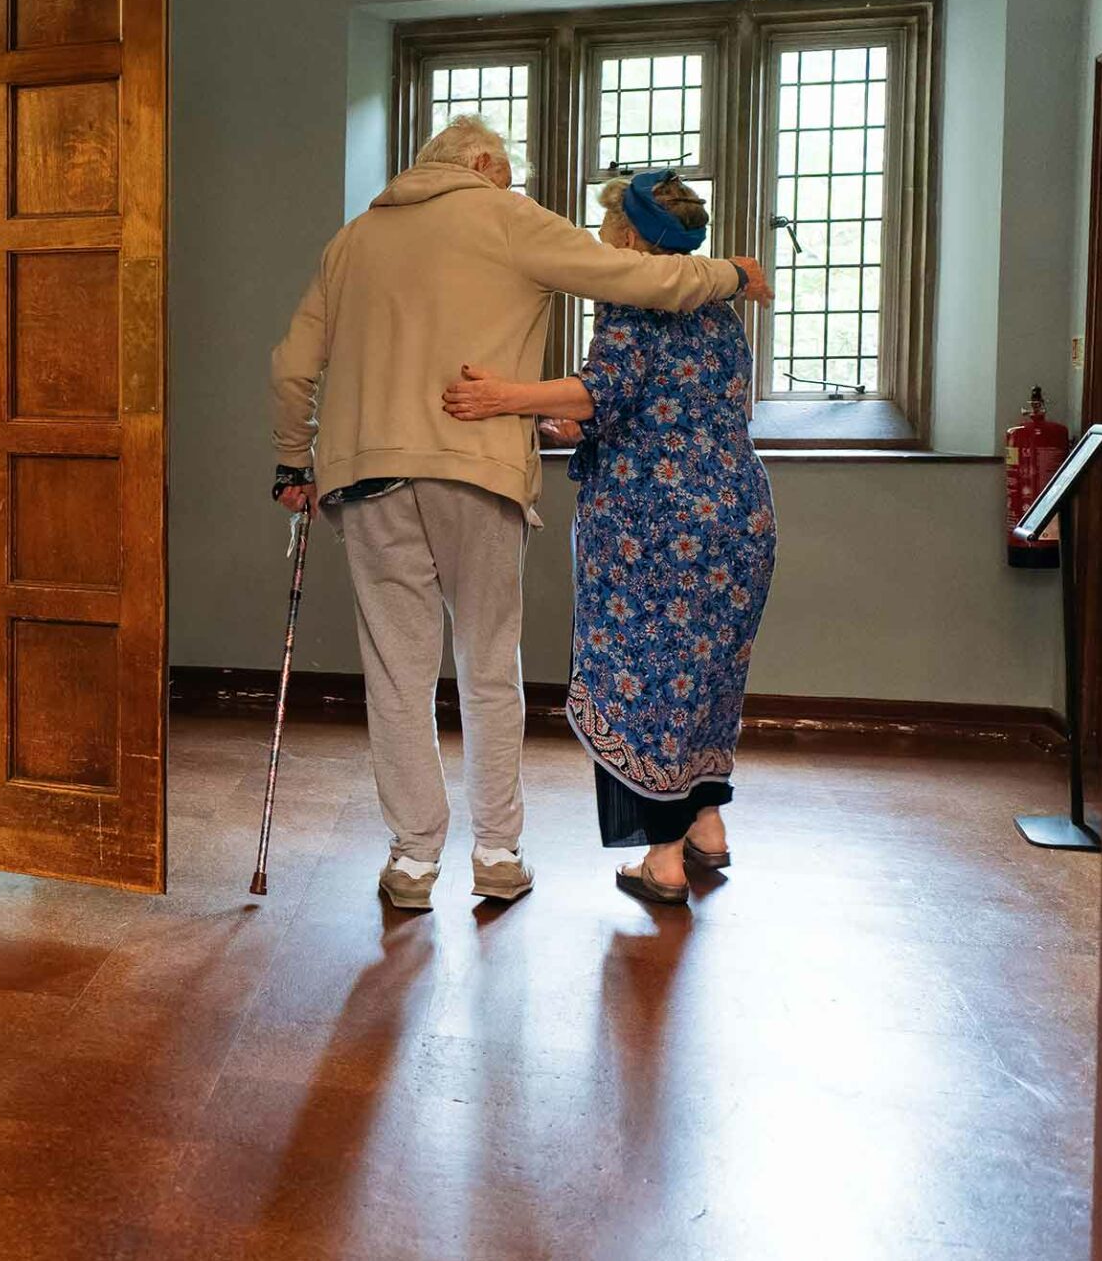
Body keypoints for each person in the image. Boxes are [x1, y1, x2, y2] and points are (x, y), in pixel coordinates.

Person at [269, 117, 770, 911]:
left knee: (398, 677)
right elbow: (636, 279)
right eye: (501, 173)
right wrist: (731, 276)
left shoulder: (351, 238)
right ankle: (497, 853)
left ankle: (411, 862)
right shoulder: (506, 216)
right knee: (488, 665)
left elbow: (293, 366)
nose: (506, 185)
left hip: (366, 481)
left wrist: (293, 462)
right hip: (476, 473)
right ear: (478, 163)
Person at [441, 172, 777, 906]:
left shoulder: (634, 298)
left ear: (628, 239)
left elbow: (604, 385)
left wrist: (506, 397)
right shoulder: (719, 306)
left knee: (647, 679)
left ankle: (661, 859)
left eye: (605, 229)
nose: (596, 241)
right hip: (740, 513)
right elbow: (665, 401)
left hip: (655, 524)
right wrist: (582, 425)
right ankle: (707, 825)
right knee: (708, 677)